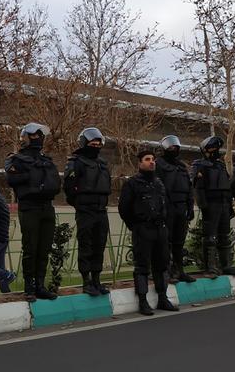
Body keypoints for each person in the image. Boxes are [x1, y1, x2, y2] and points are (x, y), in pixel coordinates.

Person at [5, 123, 61, 302]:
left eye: (39, 135)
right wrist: (32, 178)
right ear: (26, 138)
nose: (38, 139)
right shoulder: (18, 159)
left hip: (47, 207)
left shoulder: (47, 160)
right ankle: (29, 287)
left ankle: (40, 285)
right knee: (30, 248)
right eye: (34, 136)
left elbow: (56, 184)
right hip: (29, 207)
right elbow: (12, 179)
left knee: (44, 249)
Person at [118, 149, 179, 316]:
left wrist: (165, 225)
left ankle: (162, 297)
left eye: (153, 159)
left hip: (160, 230)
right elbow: (124, 208)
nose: (151, 162)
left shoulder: (159, 183)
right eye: (147, 159)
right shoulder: (132, 184)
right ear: (140, 163)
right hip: (143, 229)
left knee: (162, 264)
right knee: (142, 266)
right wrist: (136, 226)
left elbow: (166, 205)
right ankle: (143, 301)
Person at [64, 128, 112, 296]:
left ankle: (97, 280)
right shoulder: (76, 162)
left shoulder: (102, 163)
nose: (96, 146)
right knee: (86, 247)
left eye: (98, 144)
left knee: (99, 246)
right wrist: (80, 204)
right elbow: (69, 188)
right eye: (93, 144)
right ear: (85, 143)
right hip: (85, 211)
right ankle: (86, 282)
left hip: (101, 211)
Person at [192, 136, 235, 277]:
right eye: (213, 148)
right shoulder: (199, 164)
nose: (216, 151)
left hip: (224, 204)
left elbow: (226, 186)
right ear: (206, 150)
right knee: (210, 238)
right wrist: (203, 206)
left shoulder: (220, 165)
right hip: (211, 205)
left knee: (224, 236)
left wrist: (229, 205)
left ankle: (226, 266)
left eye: (217, 148)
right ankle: (210, 268)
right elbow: (197, 187)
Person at [156, 135, 196, 282]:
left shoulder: (181, 166)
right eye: (171, 147)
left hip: (182, 207)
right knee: (166, 242)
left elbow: (189, 188)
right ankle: (166, 272)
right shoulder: (159, 164)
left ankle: (179, 270)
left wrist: (190, 206)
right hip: (168, 207)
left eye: (176, 147)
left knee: (179, 242)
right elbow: (158, 187)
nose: (174, 149)